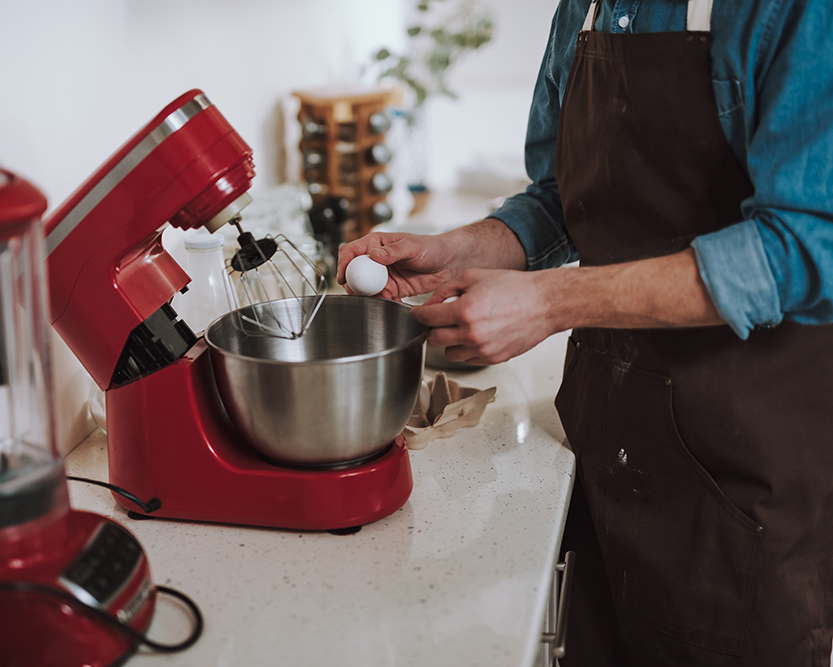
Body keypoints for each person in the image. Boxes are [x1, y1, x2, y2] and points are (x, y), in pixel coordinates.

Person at [337, 0, 833, 665]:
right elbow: (566, 194)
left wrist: (549, 301)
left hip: (742, 485)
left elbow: (804, 243)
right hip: (603, 448)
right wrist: (463, 249)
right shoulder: (589, 7)